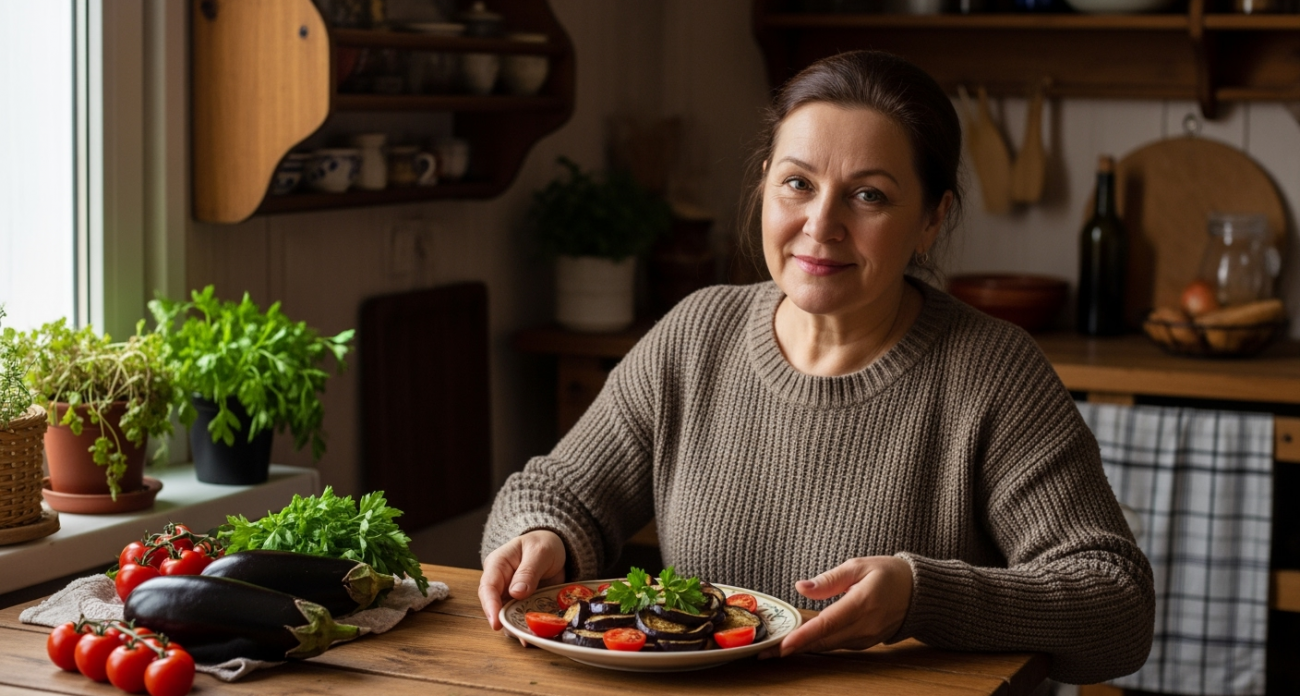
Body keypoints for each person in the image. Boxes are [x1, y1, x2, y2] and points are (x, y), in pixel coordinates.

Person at [478, 50, 1154, 685]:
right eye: (798, 183)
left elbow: (1117, 606)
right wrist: (543, 537)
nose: (821, 223)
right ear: (765, 185)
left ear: (930, 220)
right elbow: (555, 493)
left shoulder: (992, 373)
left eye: (869, 197)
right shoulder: (696, 334)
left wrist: (922, 596)